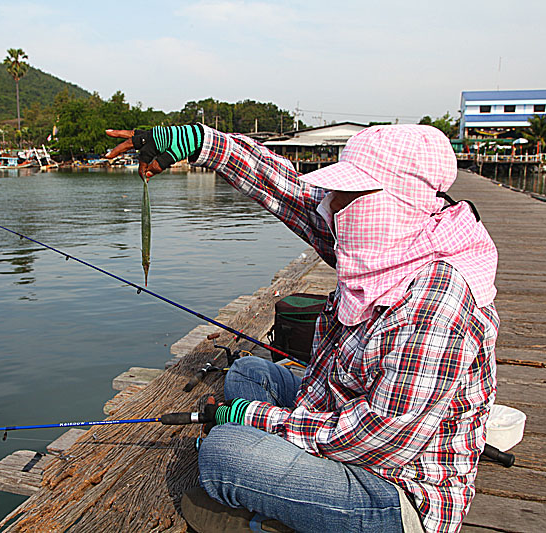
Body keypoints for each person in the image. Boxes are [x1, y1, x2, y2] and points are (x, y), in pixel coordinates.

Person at [104, 123, 499, 533]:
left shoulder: (437, 299)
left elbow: (380, 441)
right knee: (247, 373)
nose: (331, 208)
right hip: (344, 418)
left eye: (347, 196)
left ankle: (269, 507)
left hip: (395, 492)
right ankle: (284, 480)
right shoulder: (395, 239)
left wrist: (254, 419)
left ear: (391, 203)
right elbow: (284, 189)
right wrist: (198, 142)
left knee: (224, 452)